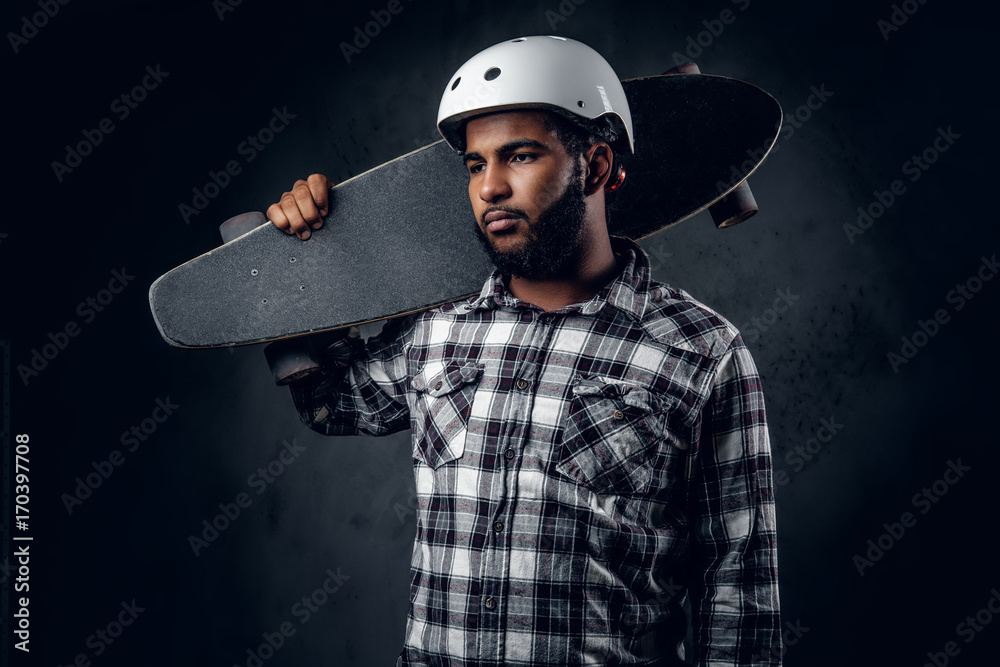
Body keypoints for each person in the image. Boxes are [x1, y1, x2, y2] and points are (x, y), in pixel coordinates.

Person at [266, 36, 780, 666]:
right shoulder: (438, 330)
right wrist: (297, 268)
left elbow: (739, 593)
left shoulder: (703, 353)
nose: (491, 188)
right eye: (475, 165)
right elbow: (328, 406)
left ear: (593, 166)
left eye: (519, 156)